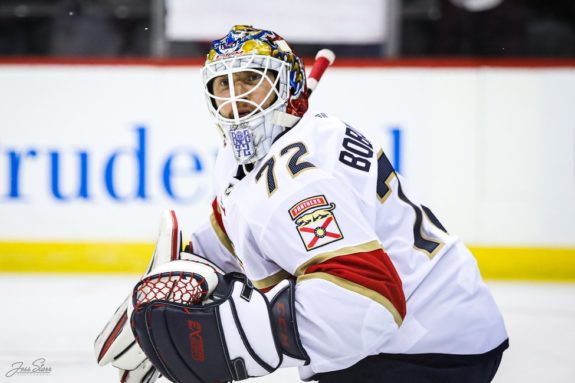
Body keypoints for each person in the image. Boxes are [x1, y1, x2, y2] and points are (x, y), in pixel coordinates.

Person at [95, 25, 508, 383]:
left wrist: (233, 338)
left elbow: (367, 302)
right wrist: (189, 267)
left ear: (288, 85)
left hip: (426, 348)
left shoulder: (301, 181)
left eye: (250, 79)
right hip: (434, 323)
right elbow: (240, 223)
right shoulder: (250, 153)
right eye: (224, 84)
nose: (236, 99)